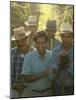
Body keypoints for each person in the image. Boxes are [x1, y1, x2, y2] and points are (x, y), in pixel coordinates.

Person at [21, 30, 52, 97]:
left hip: (48, 93)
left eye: (42, 43)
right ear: (35, 43)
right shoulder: (28, 57)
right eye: (38, 43)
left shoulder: (51, 55)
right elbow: (25, 79)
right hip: (31, 93)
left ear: (46, 43)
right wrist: (42, 74)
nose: (40, 45)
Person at [49, 22, 74, 95]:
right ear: (60, 37)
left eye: (68, 36)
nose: (66, 39)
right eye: (63, 36)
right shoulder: (55, 52)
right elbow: (50, 76)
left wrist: (69, 63)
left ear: (72, 37)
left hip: (72, 87)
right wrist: (58, 62)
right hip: (57, 87)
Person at [10, 26, 35, 98]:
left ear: (26, 38)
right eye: (18, 41)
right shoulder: (11, 53)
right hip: (13, 91)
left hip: (30, 91)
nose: (20, 43)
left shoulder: (34, 53)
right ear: (15, 41)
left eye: (23, 40)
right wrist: (13, 85)